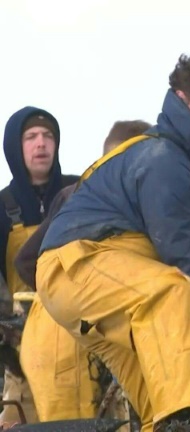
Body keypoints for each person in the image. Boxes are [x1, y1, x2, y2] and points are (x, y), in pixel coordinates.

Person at [36, 50, 190, 432]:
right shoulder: (162, 159)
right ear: (181, 99)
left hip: (105, 286)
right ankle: (183, 425)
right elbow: (182, 253)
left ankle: (163, 421)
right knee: (175, 293)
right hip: (78, 265)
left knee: (156, 393)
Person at [13, 120, 152, 426]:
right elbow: (25, 261)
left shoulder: (88, 192)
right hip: (65, 340)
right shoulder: (89, 197)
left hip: (70, 329)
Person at [0, 107, 80, 426]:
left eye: (48, 136)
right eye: (31, 137)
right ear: (14, 147)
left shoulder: (80, 191)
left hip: (78, 336)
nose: (41, 144)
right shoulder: (3, 207)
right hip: (23, 344)